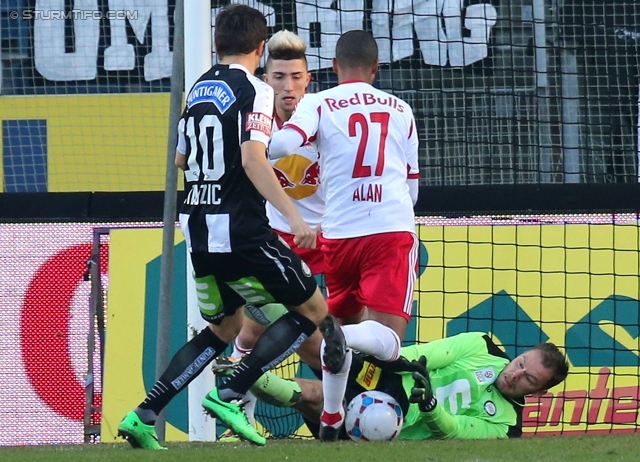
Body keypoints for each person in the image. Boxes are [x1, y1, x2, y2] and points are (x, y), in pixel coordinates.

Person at [116, 5, 344, 449]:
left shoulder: (198, 89)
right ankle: (231, 393)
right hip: (242, 229)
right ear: (261, 50)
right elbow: (252, 159)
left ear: (217, 44)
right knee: (311, 311)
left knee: (223, 327)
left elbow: (181, 159)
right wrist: (295, 218)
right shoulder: (256, 91)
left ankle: (145, 413)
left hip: (198, 228)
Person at [269, 29, 420, 440]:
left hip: (338, 236)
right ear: (375, 69)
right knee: (387, 340)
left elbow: (283, 143)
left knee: (341, 321)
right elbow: (412, 187)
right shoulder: (401, 109)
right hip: (389, 231)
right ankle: (342, 335)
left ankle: (333, 417)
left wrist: (254, 149)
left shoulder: (318, 102)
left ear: (333, 68)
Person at [216, 28, 326, 442]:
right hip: (276, 238)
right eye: (279, 77)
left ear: (308, 79)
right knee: (252, 328)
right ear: (266, 79)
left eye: (296, 77)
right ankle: (236, 410)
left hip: (326, 240)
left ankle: (345, 412)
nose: (288, 87)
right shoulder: (253, 121)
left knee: (337, 334)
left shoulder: (323, 117)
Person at [217, 332, 570, 440]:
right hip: (390, 377)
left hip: (392, 421)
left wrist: (430, 405)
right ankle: (240, 367)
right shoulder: (484, 347)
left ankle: (242, 375)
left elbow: (457, 431)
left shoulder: (506, 427)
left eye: (528, 379)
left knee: (312, 396)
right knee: (317, 343)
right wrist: (406, 363)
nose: (515, 373)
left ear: (538, 392)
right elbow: (434, 353)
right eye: (521, 363)